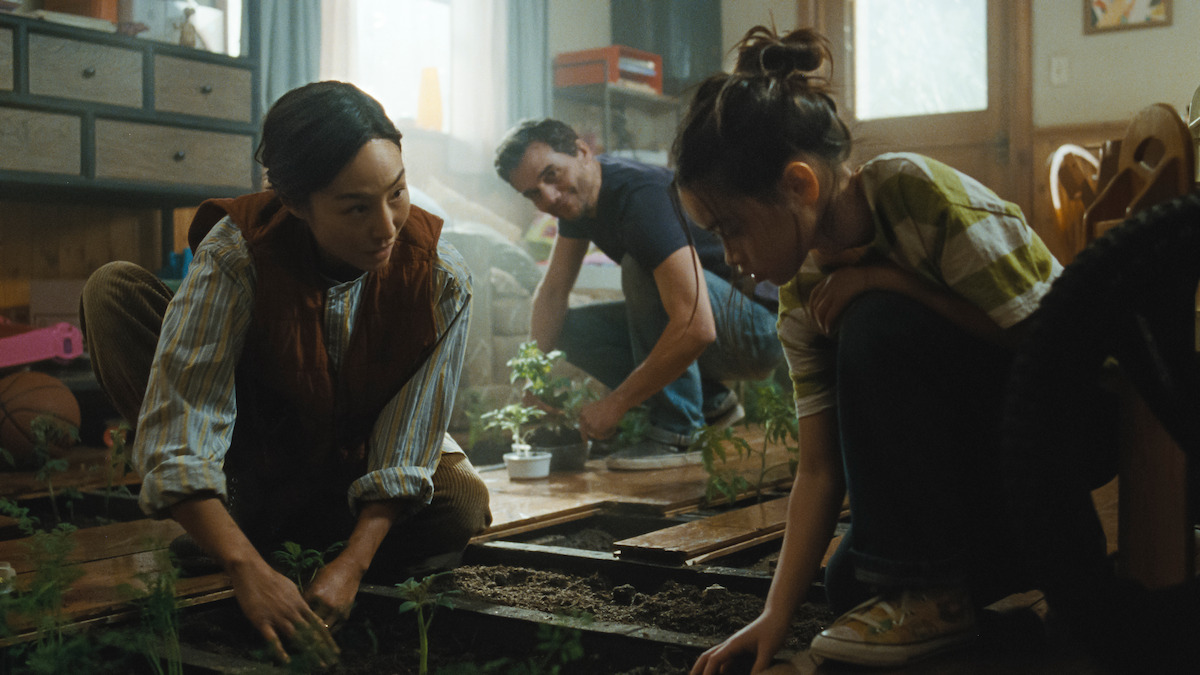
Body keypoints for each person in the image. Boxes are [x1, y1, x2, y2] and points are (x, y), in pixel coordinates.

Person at [674, 27, 1064, 672]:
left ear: (799, 185)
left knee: (874, 319)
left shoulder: (917, 193)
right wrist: (776, 614)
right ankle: (996, 611)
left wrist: (889, 281)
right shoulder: (802, 296)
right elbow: (820, 471)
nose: (731, 257)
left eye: (731, 228)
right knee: (850, 586)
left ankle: (939, 594)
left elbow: (1048, 342)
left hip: (1069, 420)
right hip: (976, 451)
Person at [79, 81, 491, 665]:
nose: (387, 227)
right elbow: (182, 427)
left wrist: (351, 565)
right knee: (112, 290)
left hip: (359, 455)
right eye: (355, 207)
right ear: (296, 204)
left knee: (461, 503)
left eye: (396, 193)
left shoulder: (441, 276)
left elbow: (406, 443)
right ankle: (247, 531)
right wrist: (245, 571)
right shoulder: (237, 252)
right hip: (260, 447)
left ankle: (271, 533)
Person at [493, 119, 783, 470]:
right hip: (718, 329)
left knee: (638, 267)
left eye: (551, 175)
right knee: (567, 329)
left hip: (759, 330)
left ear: (583, 151)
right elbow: (553, 292)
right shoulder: (578, 201)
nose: (548, 197)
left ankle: (678, 432)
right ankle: (709, 404)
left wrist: (616, 404)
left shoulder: (639, 196)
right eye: (533, 193)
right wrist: (530, 377)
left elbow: (697, 326)